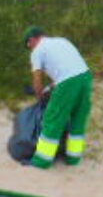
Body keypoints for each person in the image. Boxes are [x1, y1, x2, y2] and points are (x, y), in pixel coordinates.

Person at [25, 26, 93, 169]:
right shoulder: (62, 41)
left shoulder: (37, 51)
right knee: (78, 118)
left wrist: (39, 97)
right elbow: (69, 68)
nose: (29, 49)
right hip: (86, 78)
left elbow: (37, 79)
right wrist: (49, 89)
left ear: (32, 40)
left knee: (53, 119)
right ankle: (73, 159)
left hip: (68, 82)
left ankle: (41, 162)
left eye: (28, 45)